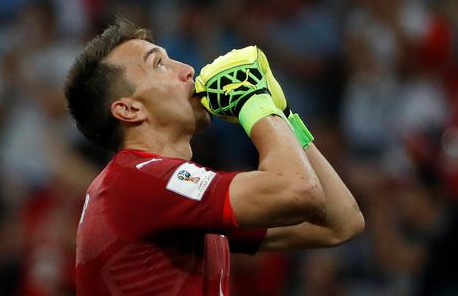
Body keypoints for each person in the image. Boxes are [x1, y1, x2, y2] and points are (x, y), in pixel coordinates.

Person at [64, 17, 364, 295]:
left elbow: (341, 223)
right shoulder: (137, 182)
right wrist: (254, 101)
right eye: (159, 65)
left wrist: (282, 117)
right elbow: (299, 190)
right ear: (129, 109)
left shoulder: (164, 195)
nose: (187, 70)